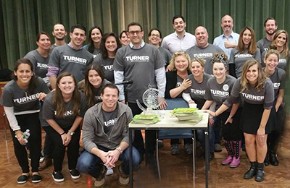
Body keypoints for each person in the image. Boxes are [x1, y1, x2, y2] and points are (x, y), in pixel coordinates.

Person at [210, 60, 274, 182]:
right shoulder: (240, 81)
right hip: (248, 110)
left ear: (259, 71)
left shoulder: (267, 83)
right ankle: (253, 166)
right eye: (248, 71)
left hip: (264, 112)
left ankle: (260, 168)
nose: (251, 73)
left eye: (254, 70)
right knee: (249, 140)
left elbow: (268, 107)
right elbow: (230, 100)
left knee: (261, 140)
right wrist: (215, 113)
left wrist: (261, 128)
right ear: (244, 72)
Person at [113, 22, 166, 163]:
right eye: (132, 32)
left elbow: (160, 74)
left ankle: (150, 153)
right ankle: (139, 151)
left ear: (142, 33)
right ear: (128, 34)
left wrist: (161, 95)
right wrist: (121, 96)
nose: (135, 34)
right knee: (133, 126)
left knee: (152, 127)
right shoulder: (121, 52)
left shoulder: (153, 51)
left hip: (151, 98)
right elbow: (118, 76)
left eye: (137, 31)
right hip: (130, 97)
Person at [76, 83, 141, 187]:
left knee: (135, 159)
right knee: (83, 164)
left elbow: (130, 135)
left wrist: (118, 150)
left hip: (119, 144)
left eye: (114, 96)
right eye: (107, 95)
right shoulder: (90, 113)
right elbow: (86, 139)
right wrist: (100, 154)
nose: (110, 99)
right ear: (101, 96)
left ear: (118, 97)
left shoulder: (126, 110)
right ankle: (100, 173)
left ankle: (123, 172)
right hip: (98, 146)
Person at [1, 58, 49, 184]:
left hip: (33, 115)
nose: (24, 74)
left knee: (35, 142)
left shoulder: (38, 82)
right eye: (21, 71)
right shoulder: (8, 89)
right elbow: (9, 112)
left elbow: (50, 98)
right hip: (16, 117)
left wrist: (45, 97)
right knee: (19, 143)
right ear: (15, 72)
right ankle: (24, 171)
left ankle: (35, 170)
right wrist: (17, 131)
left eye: (27, 71)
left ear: (32, 73)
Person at [41, 72, 87, 182]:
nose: (67, 85)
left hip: (71, 124)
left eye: (70, 82)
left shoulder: (81, 96)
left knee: (73, 143)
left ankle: (72, 168)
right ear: (58, 85)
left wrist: (70, 132)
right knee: (60, 144)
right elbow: (49, 119)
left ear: (75, 84)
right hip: (52, 125)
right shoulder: (50, 99)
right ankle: (56, 170)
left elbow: (80, 116)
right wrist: (62, 133)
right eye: (64, 83)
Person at [40, 24, 67, 171]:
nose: (59, 32)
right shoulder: (51, 51)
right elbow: (52, 73)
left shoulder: (83, 51)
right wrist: (57, 92)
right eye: (56, 30)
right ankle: (48, 156)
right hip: (57, 95)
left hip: (75, 95)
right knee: (52, 126)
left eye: (61, 30)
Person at [201, 53, 237, 160]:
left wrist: (231, 116)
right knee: (216, 131)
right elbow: (210, 99)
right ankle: (218, 153)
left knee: (231, 134)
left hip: (232, 110)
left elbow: (235, 102)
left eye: (221, 69)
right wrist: (202, 111)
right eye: (215, 69)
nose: (218, 72)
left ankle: (235, 156)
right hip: (218, 109)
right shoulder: (210, 81)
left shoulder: (233, 81)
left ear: (225, 69)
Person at [47, 24, 94, 89]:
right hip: (61, 91)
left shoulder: (89, 56)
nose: (79, 37)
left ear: (85, 38)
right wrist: (56, 92)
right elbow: (52, 74)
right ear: (71, 35)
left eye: (82, 35)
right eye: (76, 34)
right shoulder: (57, 51)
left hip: (80, 93)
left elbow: (89, 77)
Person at [164, 51, 192, 155]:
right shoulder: (169, 75)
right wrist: (182, 87)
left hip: (190, 104)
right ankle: (174, 143)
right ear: (174, 63)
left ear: (188, 61)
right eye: (178, 61)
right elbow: (169, 94)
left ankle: (188, 142)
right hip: (174, 104)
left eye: (183, 61)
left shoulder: (192, 73)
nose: (181, 64)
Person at [263, 49, 286, 166]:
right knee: (265, 131)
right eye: (270, 60)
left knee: (277, 130)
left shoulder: (281, 74)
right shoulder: (260, 73)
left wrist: (275, 108)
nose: (272, 63)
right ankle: (265, 153)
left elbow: (281, 94)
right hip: (262, 107)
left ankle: (272, 152)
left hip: (277, 106)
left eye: (275, 60)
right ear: (265, 60)